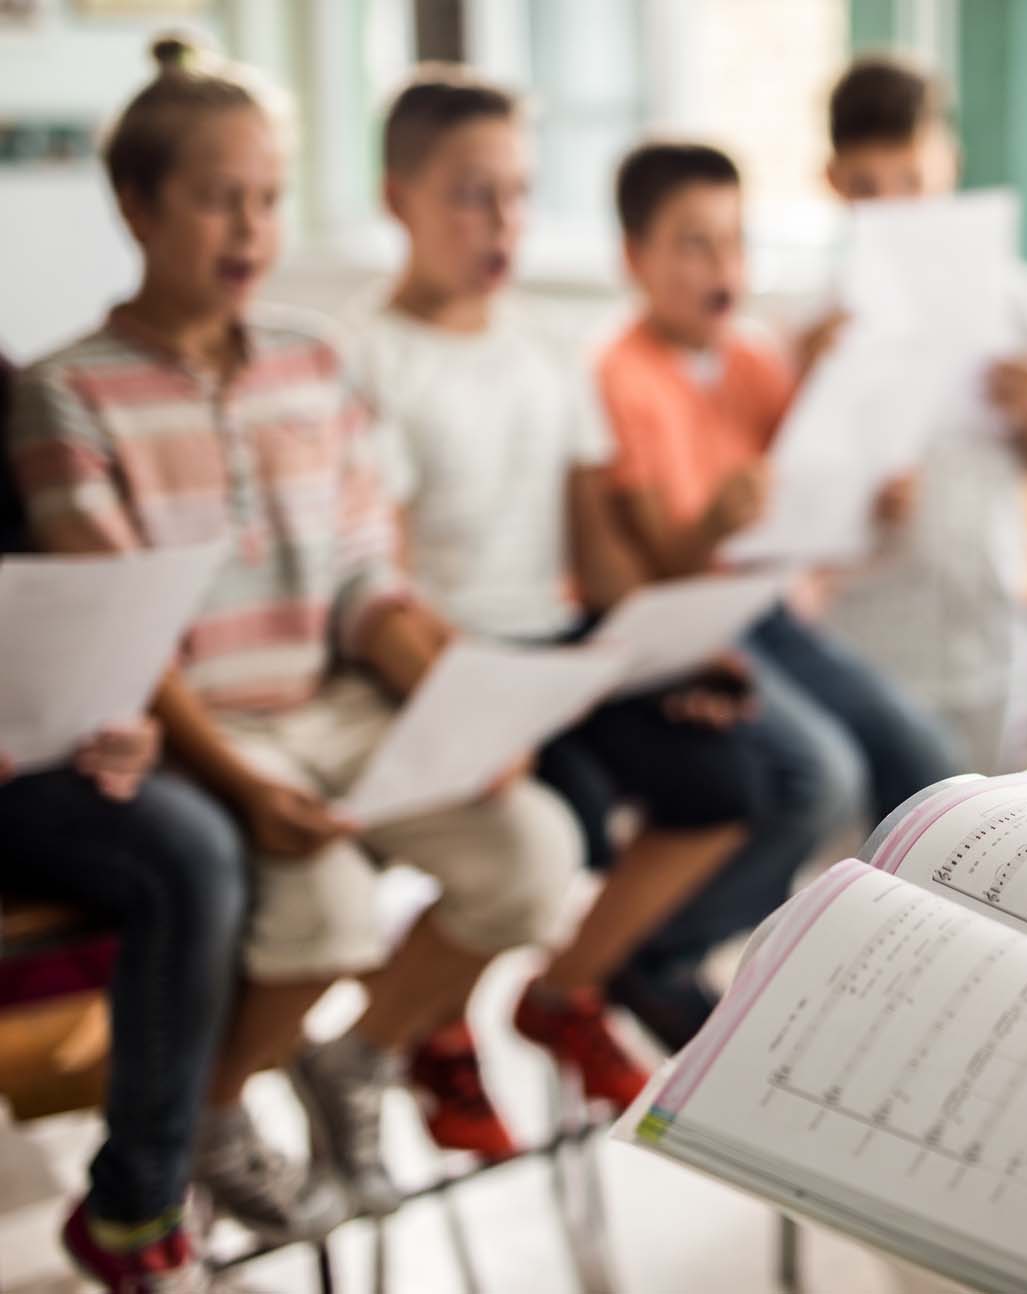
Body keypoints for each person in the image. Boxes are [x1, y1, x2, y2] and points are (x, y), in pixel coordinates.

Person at [8, 38, 585, 1236]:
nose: (249, 228)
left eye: (267, 199)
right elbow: (122, 629)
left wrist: (455, 702)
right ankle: (216, 1113)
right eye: (218, 199)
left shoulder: (316, 359)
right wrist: (233, 778)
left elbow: (368, 577)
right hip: (208, 725)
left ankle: (358, 1055)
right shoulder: (67, 391)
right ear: (136, 204)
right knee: (318, 913)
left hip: (338, 706)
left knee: (533, 852)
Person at [356, 69, 768, 1150]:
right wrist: (471, 699)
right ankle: (429, 1030)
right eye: (469, 193)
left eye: (519, 194)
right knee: (562, 826)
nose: (501, 223)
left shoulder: (547, 349)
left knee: (729, 774)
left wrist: (675, 649)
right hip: (441, 653)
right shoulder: (373, 361)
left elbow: (598, 555)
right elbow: (379, 579)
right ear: (396, 196)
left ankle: (559, 991)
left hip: (556, 647)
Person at [597, 142, 958, 873]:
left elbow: (816, 503)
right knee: (825, 777)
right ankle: (667, 952)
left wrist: (876, 495)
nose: (723, 266)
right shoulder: (617, 378)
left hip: (767, 610)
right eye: (694, 245)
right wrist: (715, 524)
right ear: (634, 258)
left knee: (925, 758)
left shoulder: (755, 361)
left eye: (734, 241)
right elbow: (657, 569)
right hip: (691, 625)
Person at [1, 359, 248, 1292]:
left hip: (30, 752)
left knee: (192, 846)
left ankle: (134, 1210)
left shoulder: (17, 399)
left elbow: (65, 602)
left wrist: (117, 705)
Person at [814, 57, 1027, 774]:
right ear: (834, 182)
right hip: (865, 629)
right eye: (870, 187)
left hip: (987, 621)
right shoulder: (819, 318)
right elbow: (789, 492)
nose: (897, 207)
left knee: (984, 847)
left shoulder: (1015, 298)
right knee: (864, 860)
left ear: (950, 167)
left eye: (913, 181)